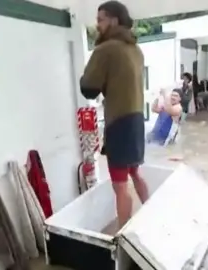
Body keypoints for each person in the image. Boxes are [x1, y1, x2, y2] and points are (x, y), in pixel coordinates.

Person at [79, 1, 148, 229]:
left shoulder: (106, 49)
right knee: (135, 173)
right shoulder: (135, 49)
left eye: (100, 20)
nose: (97, 25)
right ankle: (151, 216)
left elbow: (89, 88)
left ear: (114, 21)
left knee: (120, 185)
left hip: (119, 122)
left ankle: (124, 238)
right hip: (137, 120)